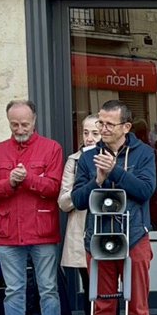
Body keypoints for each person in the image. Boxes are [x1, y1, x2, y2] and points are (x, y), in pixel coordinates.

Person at [72, 100, 157, 315]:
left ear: (126, 127)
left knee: (138, 308)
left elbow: (145, 191)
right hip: (98, 240)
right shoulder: (87, 158)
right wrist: (97, 178)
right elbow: (79, 200)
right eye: (100, 124)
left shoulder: (144, 153)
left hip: (133, 237)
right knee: (102, 305)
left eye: (109, 124)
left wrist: (116, 172)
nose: (102, 129)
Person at [0, 100, 65, 315]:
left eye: (24, 124)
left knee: (48, 288)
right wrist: (9, 183)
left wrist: (27, 179)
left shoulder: (51, 148)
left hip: (41, 230)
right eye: (14, 124)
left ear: (34, 120)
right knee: (13, 289)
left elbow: (55, 188)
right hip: (8, 231)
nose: (19, 129)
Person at [58, 115, 100, 296]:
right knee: (89, 284)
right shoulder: (74, 161)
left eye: (95, 133)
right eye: (85, 132)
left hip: (106, 226)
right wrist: (81, 191)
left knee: (108, 287)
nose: (89, 138)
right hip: (82, 228)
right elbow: (63, 202)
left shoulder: (115, 157)